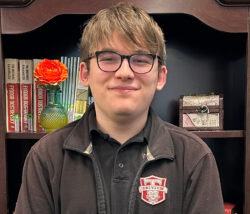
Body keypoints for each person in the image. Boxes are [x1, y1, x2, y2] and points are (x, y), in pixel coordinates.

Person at [15, 2, 225, 214]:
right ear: (85, 74)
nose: (125, 72)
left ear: (161, 77)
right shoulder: (45, 157)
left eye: (141, 60)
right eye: (108, 58)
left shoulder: (195, 158)